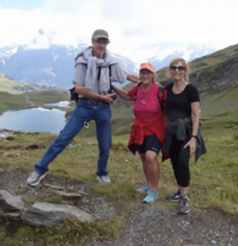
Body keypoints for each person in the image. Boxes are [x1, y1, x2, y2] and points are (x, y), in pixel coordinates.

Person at [26, 29, 139, 187]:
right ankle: (40, 169)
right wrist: (101, 97)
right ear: (92, 42)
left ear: (107, 44)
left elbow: (127, 76)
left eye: (104, 42)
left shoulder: (111, 62)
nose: (101, 45)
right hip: (85, 106)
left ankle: (102, 173)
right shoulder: (83, 61)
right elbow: (78, 88)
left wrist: (148, 82)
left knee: (105, 144)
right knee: (63, 138)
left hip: (103, 108)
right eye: (98, 41)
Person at [111, 63, 167, 203]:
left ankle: (154, 190)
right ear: (139, 75)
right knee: (143, 156)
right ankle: (148, 185)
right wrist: (112, 87)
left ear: (153, 75)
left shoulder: (159, 89)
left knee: (151, 157)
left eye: (148, 73)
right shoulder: (137, 88)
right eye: (142, 73)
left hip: (156, 129)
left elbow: (172, 104)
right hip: (140, 129)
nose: (145, 75)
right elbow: (127, 96)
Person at [162, 57, 206, 214]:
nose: (177, 70)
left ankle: (184, 197)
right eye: (174, 67)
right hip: (172, 132)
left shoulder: (191, 90)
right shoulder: (167, 90)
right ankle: (179, 191)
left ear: (185, 71)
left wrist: (194, 138)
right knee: (174, 161)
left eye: (180, 68)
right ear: (170, 70)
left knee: (182, 161)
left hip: (187, 131)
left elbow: (195, 115)